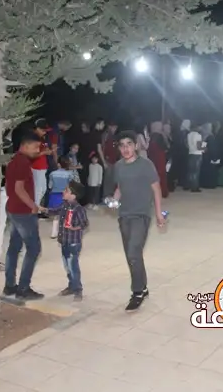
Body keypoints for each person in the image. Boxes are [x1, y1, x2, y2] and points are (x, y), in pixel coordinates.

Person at [112, 130, 165, 312]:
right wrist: (114, 200)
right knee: (131, 255)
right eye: (122, 145)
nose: (125, 148)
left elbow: (156, 189)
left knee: (133, 252)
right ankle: (142, 286)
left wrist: (158, 213)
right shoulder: (119, 166)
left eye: (129, 144)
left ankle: (137, 292)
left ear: (136, 146)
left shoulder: (146, 165)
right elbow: (120, 188)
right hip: (124, 215)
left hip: (141, 215)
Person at [3, 133, 44, 300]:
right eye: (35, 147)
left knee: (14, 247)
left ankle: (9, 286)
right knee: (33, 248)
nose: (37, 150)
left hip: (13, 209)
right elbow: (19, 189)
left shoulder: (14, 159)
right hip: (22, 212)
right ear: (25, 146)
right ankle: (23, 289)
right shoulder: (22, 162)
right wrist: (33, 206)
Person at [45, 181, 89, 302]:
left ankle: (78, 289)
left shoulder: (78, 209)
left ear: (73, 195)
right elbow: (54, 211)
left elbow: (84, 224)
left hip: (73, 243)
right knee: (67, 266)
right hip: (64, 241)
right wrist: (42, 209)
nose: (63, 192)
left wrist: (74, 228)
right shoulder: (64, 205)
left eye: (66, 191)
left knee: (73, 266)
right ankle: (71, 286)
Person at [30, 119, 53, 210]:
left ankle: (36, 206)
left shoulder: (42, 138)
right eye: (43, 130)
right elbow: (32, 154)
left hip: (43, 166)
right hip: (36, 166)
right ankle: (34, 209)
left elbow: (44, 148)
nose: (45, 132)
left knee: (43, 189)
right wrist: (44, 152)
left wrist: (48, 151)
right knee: (38, 190)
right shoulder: (32, 138)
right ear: (37, 128)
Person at [147, 122, 169, 198]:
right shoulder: (160, 135)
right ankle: (162, 191)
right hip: (160, 156)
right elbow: (165, 147)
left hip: (152, 157)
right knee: (161, 173)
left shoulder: (150, 135)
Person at [99, 120, 119, 197]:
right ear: (109, 126)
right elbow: (102, 147)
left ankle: (111, 196)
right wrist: (104, 161)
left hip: (114, 160)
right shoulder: (106, 135)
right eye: (113, 127)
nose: (115, 129)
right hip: (107, 160)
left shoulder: (114, 136)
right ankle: (106, 197)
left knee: (112, 179)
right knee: (107, 179)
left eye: (116, 127)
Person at [200, 123, 219, 189]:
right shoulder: (211, 137)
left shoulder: (204, 137)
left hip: (206, 157)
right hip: (210, 157)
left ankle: (205, 184)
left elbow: (202, 148)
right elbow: (212, 148)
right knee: (210, 171)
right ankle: (210, 184)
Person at [186, 122, 204, 192]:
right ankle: (195, 187)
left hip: (191, 153)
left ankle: (188, 185)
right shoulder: (198, 135)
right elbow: (199, 147)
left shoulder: (189, 134)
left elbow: (187, 144)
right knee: (196, 172)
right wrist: (205, 148)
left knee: (191, 171)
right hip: (197, 154)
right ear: (197, 127)